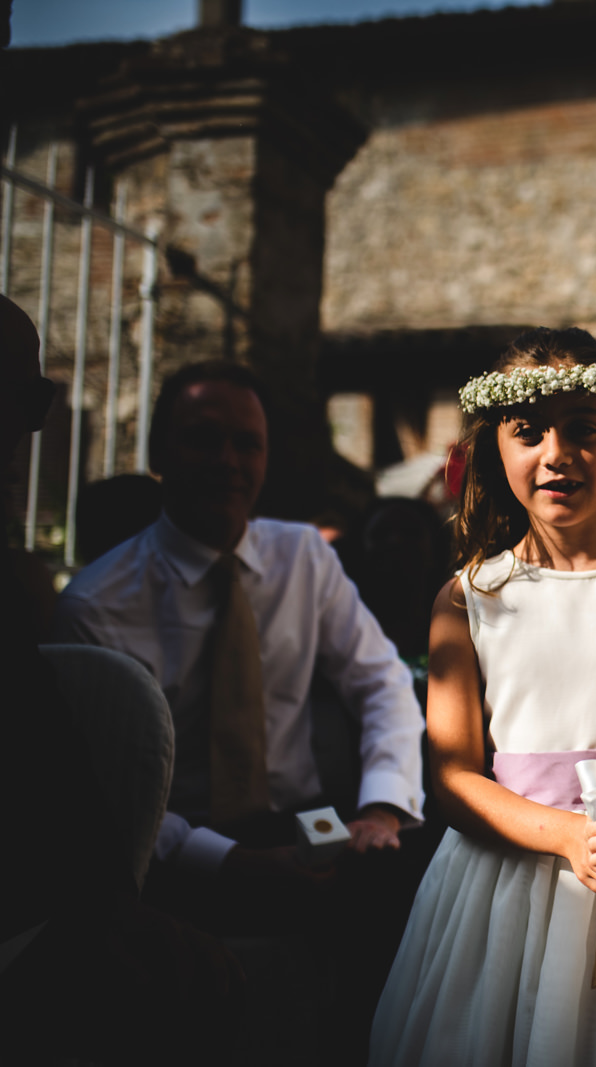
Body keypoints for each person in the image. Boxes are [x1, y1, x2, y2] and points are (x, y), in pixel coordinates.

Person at [369, 329, 596, 1065]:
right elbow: (454, 775)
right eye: (528, 432)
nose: (557, 452)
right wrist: (565, 834)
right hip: (503, 892)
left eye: (584, 430)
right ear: (495, 450)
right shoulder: (470, 599)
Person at [52, 359, 428, 1056]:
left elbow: (381, 681)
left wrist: (381, 807)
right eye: (203, 439)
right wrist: (232, 863)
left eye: (247, 443)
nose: (229, 461)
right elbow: (102, 796)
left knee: (413, 922)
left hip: (307, 825)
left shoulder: (301, 559)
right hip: (171, 855)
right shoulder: (95, 605)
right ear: (161, 455)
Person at [0, 295, 241, 1062]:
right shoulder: (85, 598)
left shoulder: (305, 562)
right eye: (22, 399)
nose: (32, 429)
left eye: (40, 400)